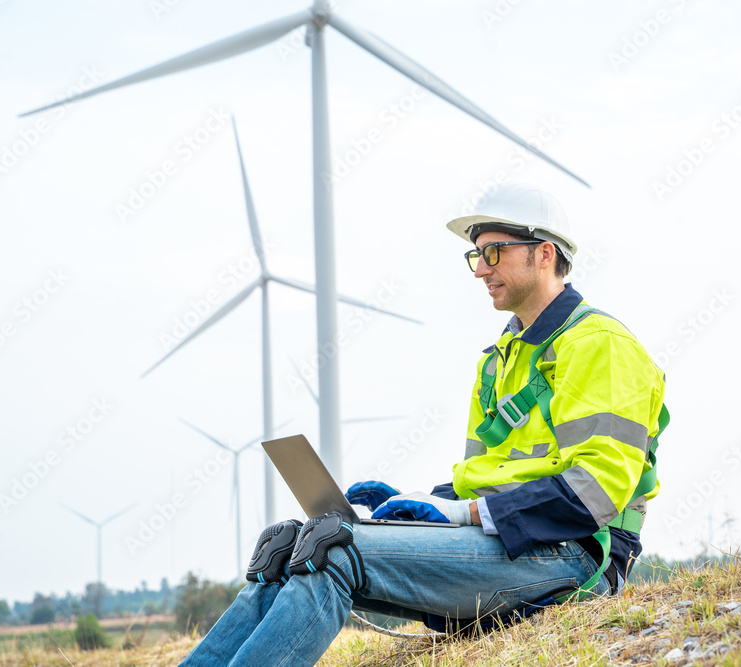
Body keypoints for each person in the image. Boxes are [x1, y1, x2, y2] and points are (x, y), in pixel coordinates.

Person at [179, 183, 668, 667]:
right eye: (475, 256)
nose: (480, 270)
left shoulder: (598, 345)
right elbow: (485, 479)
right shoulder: (499, 361)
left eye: (494, 252)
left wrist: (464, 517)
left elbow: (594, 495)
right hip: (510, 543)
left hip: (577, 557)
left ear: (544, 254)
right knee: (292, 549)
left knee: (334, 551)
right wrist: (415, 510)